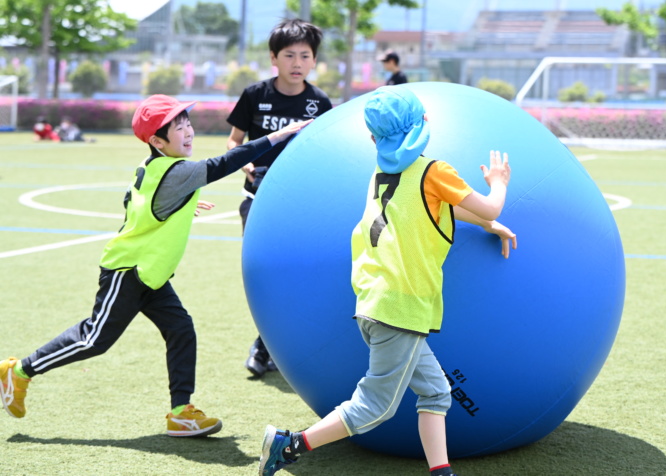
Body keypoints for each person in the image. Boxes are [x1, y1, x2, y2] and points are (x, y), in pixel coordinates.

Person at [0, 94, 311, 437]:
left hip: (152, 275)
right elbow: (225, 162)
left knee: (181, 330)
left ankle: (181, 412)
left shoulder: (153, 167)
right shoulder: (177, 171)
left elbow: (133, 201)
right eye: (178, 127)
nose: (188, 131)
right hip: (128, 272)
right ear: (156, 141)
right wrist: (276, 137)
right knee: (94, 339)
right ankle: (20, 371)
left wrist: (180, 204)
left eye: (187, 123)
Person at [258, 86, 516, 476]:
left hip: (377, 301)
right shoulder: (435, 171)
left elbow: (424, 209)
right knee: (375, 406)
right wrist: (498, 182)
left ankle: (441, 472)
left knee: (436, 392)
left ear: (374, 137)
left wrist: (487, 224)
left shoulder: (383, 173)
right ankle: (289, 445)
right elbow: (488, 202)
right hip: (401, 307)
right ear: (423, 124)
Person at [226, 18, 333, 379]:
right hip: (256, 201)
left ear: (314, 60)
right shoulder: (255, 95)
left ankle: (268, 346)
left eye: (305, 55)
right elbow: (233, 141)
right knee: (265, 277)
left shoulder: (319, 103)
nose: (297, 62)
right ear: (274, 58)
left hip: (300, 208)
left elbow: (327, 152)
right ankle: (265, 344)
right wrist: (246, 162)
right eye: (289, 55)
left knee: (295, 275)